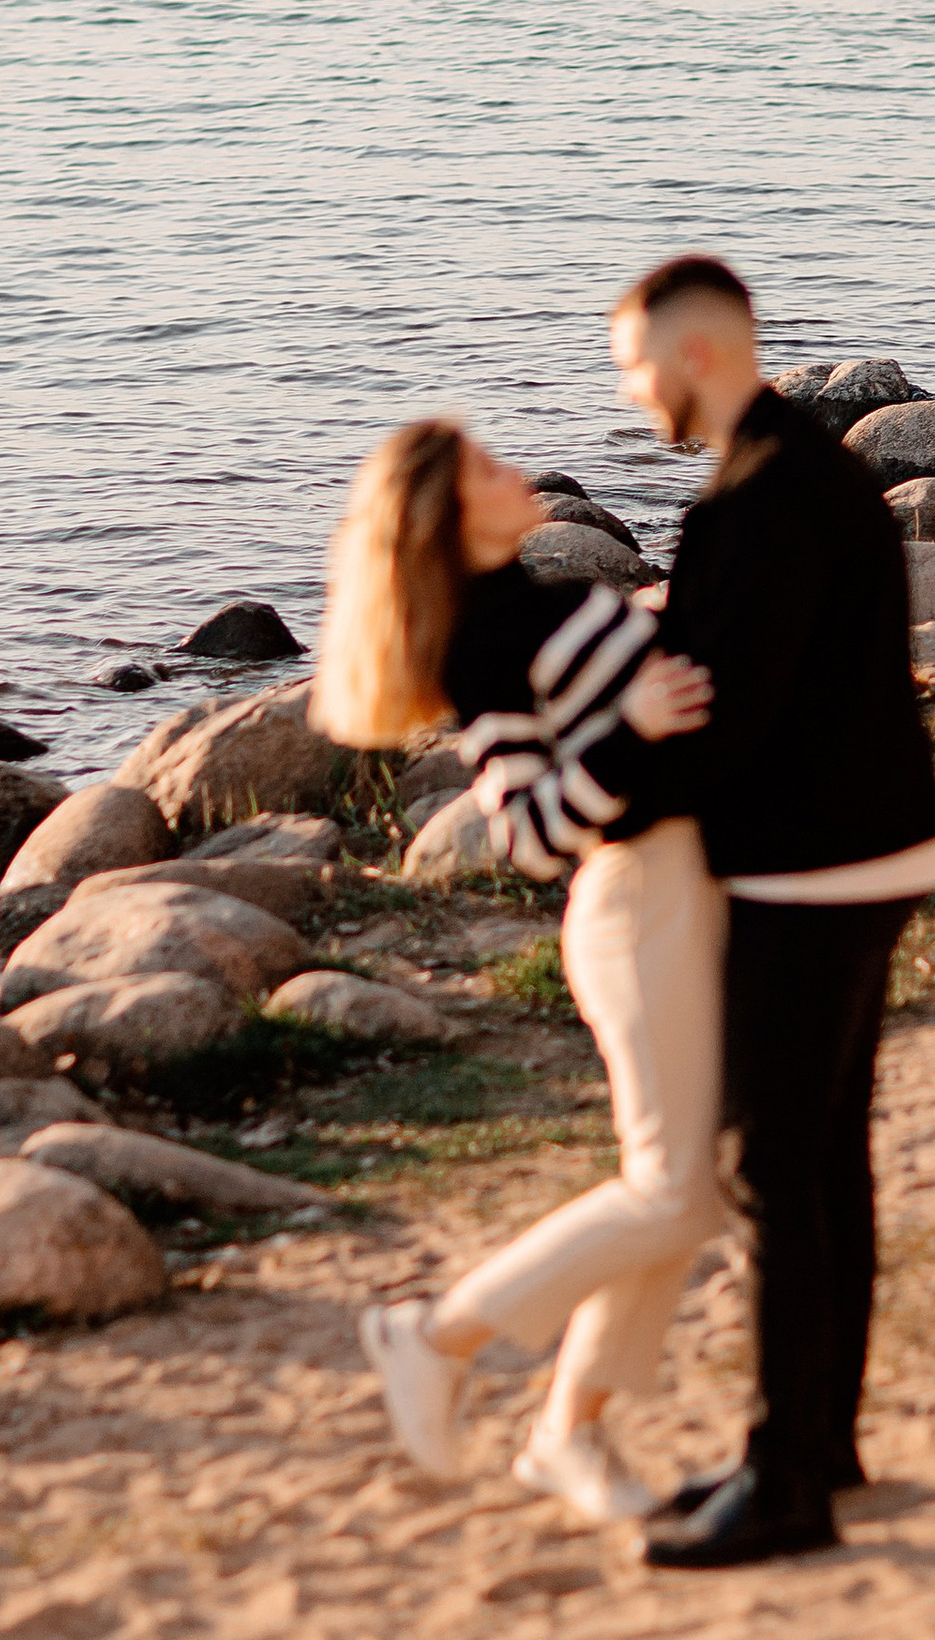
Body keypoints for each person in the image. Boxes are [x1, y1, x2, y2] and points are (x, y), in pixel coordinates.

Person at [312, 417, 723, 1527]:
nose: (517, 472)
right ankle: (438, 1335)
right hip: (637, 906)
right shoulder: (484, 642)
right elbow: (531, 832)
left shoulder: (532, 600)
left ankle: (568, 1432)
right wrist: (631, 727)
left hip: (691, 893)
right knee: (670, 1189)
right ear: (448, 515)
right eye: (487, 470)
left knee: (687, 1193)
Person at [609, 256, 935, 1571]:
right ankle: (820, 1442)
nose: (629, 391)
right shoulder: (814, 472)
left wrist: (591, 801)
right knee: (829, 1159)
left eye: (635, 364)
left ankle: (785, 1479)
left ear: (696, 357)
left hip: (808, 867)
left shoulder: (750, 511)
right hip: (881, 843)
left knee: (772, 1169)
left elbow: (718, 727)